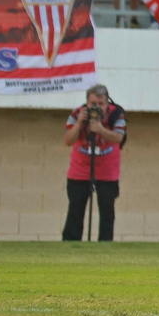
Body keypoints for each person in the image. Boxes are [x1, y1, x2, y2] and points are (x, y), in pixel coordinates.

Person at [62, 83, 126, 242]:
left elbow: (118, 138)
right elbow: (68, 140)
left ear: (107, 102)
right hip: (80, 170)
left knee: (107, 212)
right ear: (87, 103)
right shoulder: (77, 113)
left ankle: (105, 246)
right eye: (93, 104)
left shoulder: (116, 113)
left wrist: (101, 129)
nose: (97, 107)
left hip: (107, 172)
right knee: (75, 210)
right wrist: (79, 124)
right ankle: (70, 245)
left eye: (101, 104)